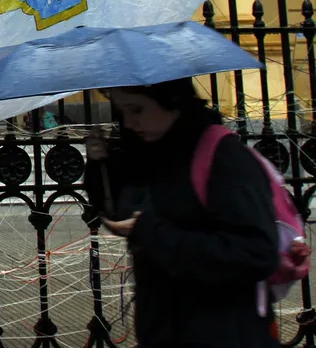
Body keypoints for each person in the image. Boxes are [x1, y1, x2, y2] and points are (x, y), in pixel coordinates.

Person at [84, 78, 280, 348]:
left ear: (172, 101)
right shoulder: (157, 154)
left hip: (222, 333)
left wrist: (151, 233)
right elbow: (122, 210)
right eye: (122, 112)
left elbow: (256, 252)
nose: (128, 123)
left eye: (137, 110)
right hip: (166, 329)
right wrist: (99, 168)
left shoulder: (224, 157)